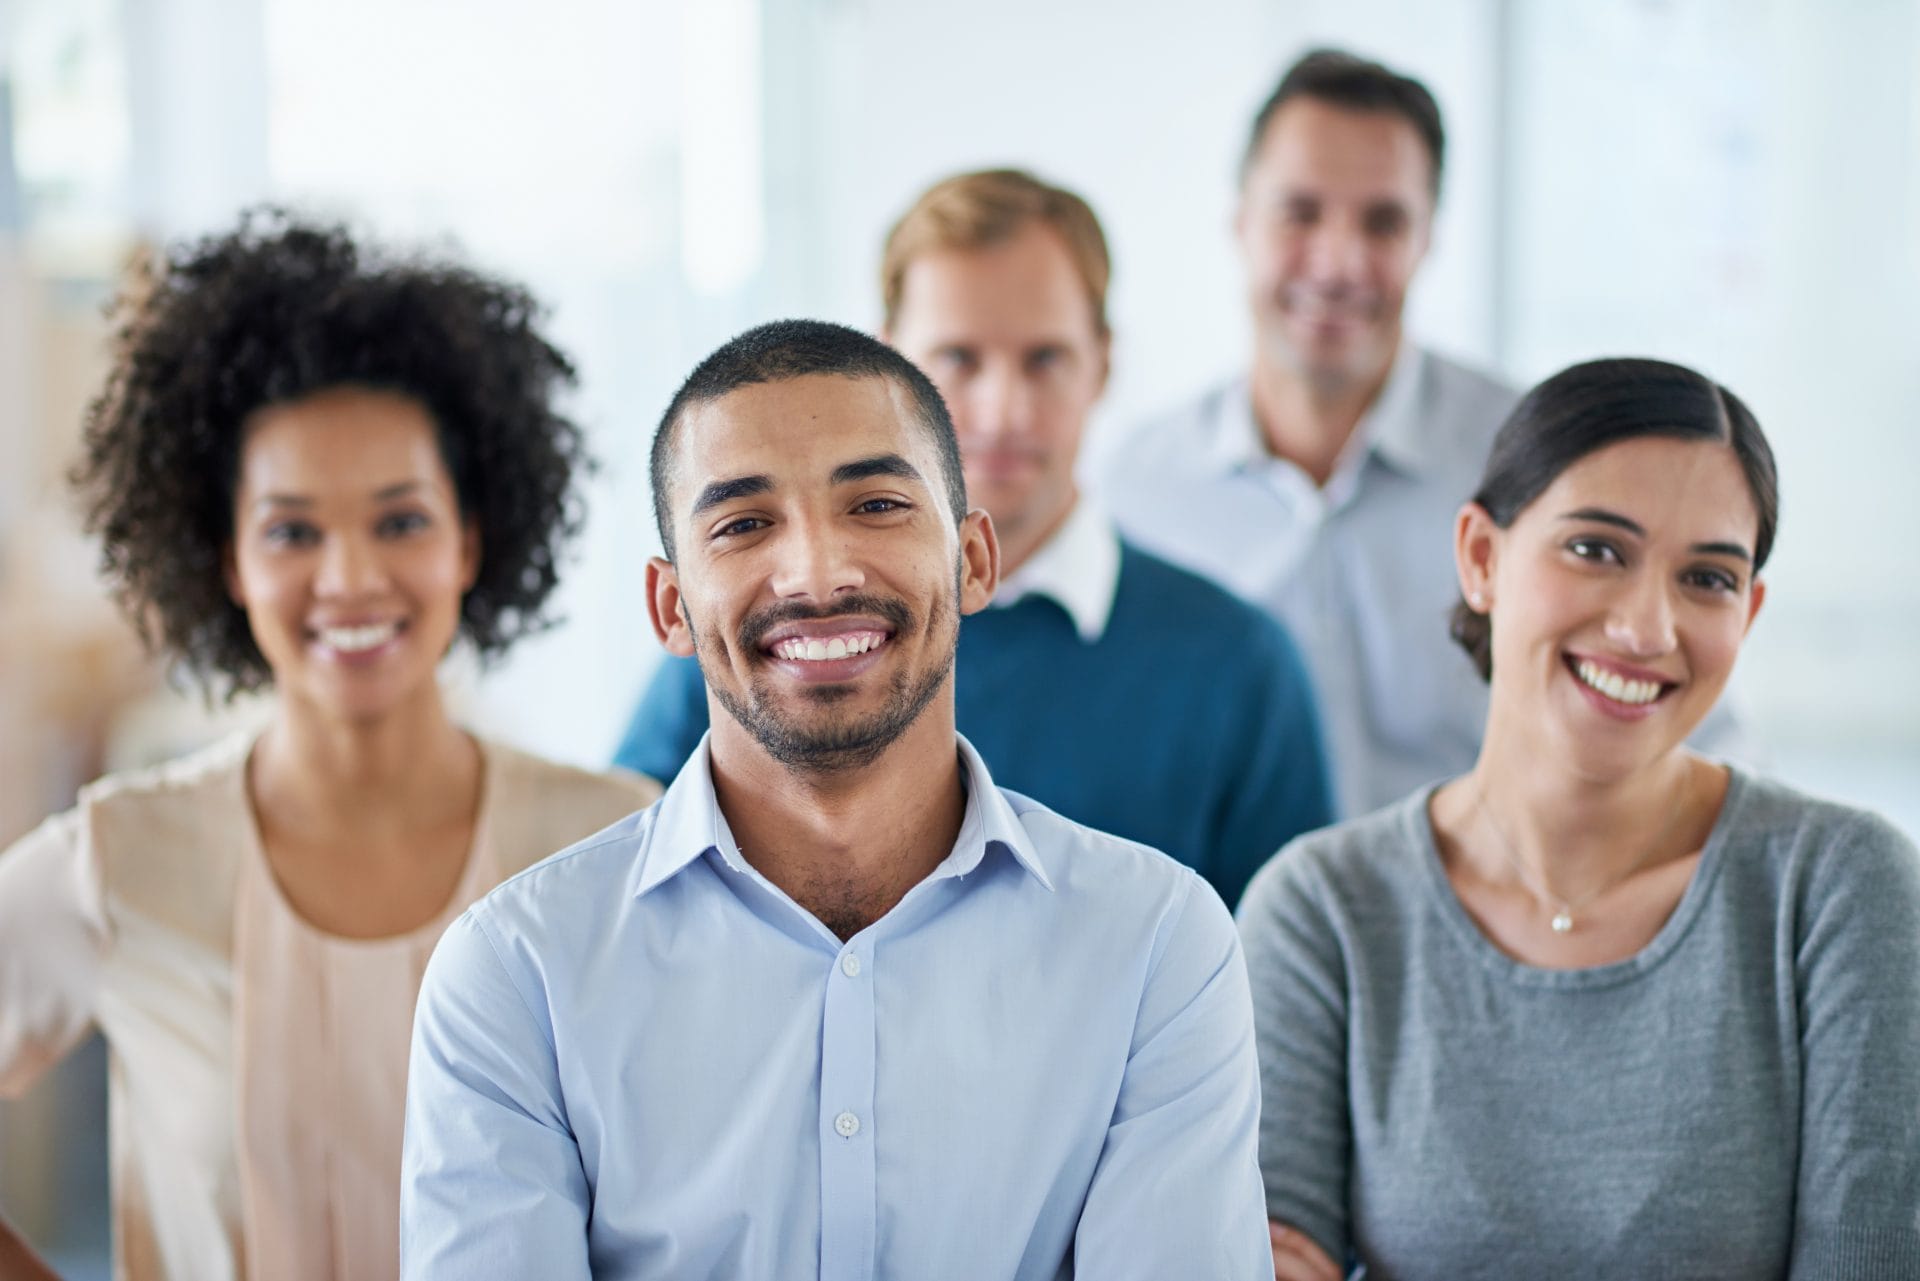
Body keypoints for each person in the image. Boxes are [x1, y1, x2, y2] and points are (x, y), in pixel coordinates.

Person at [401, 320, 1270, 1279]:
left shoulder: (1157, 944)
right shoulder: (518, 978)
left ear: (974, 562)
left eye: (877, 504)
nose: (818, 573)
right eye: (741, 524)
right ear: (669, 607)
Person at [0, 212, 660, 1281]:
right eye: (292, 531)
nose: (350, 578)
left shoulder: (619, 843)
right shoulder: (122, 858)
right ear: (225, 562)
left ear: (471, 540)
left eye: (399, 521)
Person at [1237, 358, 1920, 1280]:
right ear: (1482, 556)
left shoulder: (1838, 891)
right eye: (1597, 549)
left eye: (1707, 578)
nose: (1647, 628)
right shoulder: (1323, 909)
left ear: (1748, 613)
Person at [615, 170, 1330, 907]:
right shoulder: (779, 635)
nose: (1001, 410)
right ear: (887, 363)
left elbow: (1268, 983)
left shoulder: (1237, 665)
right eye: (959, 359)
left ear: (1103, 363)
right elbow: (633, 894)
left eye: (1044, 359)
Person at [1097, 49, 1754, 818]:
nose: (1339, 263)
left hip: (1496, 925)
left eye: (1383, 221)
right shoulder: (1138, 488)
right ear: (1240, 222)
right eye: (1300, 213)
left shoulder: (1546, 461)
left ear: (1429, 237)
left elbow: (1704, 739)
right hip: (1226, 928)